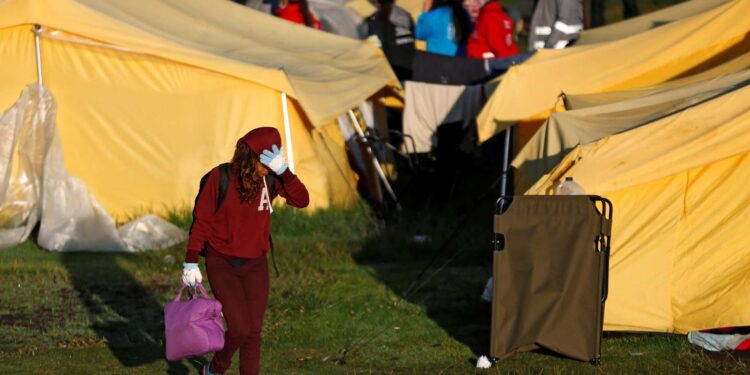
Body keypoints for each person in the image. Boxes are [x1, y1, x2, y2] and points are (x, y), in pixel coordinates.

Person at [182, 127, 309, 375]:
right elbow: (202, 222)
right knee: (240, 328)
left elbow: (301, 200)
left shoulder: (272, 178)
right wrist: (190, 262)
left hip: (256, 264)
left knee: (253, 333)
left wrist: (285, 172)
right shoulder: (220, 177)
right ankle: (215, 369)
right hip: (222, 262)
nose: (269, 169)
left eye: (274, 164)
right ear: (249, 158)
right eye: (265, 163)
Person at [361, 0, 416, 81]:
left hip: (391, 72)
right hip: (409, 69)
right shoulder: (405, 14)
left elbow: (375, 50)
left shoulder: (374, 20)